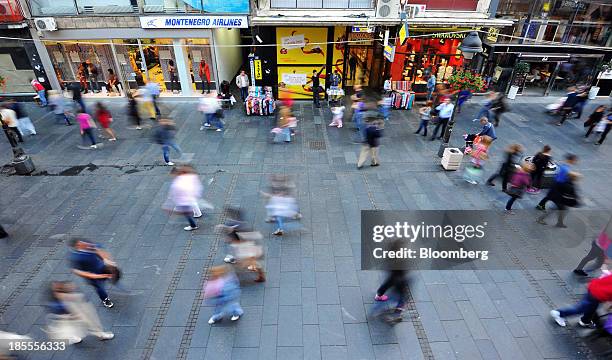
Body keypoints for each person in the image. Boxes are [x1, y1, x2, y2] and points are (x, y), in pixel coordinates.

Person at [45, 281, 114, 343]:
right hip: (68, 315)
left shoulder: (64, 297)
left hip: (72, 311)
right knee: (85, 324)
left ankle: (99, 334)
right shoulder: (57, 305)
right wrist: (74, 316)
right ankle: (98, 334)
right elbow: (62, 314)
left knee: (88, 323)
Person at [69, 238, 118, 308]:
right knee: (100, 288)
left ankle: (113, 279)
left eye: (81, 242)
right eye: (80, 244)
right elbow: (83, 273)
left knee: (113, 273)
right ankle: (105, 300)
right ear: (76, 246)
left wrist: (107, 260)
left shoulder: (86, 244)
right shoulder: (75, 258)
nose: (83, 244)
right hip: (93, 275)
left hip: (101, 266)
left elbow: (98, 250)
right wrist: (102, 276)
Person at [164, 165, 202, 231]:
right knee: (194, 203)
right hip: (191, 195)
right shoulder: (188, 176)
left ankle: (193, 225)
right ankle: (198, 213)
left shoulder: (177, 182)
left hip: (184, 200)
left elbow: (176, 193)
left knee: (187, 214)